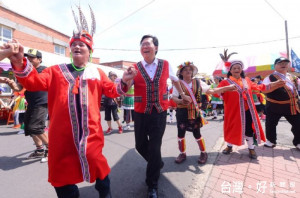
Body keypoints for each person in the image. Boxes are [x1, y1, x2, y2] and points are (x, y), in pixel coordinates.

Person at [7, 11, 136, 197]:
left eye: (81, 44)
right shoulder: (55, 71)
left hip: (90, 135)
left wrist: (126, 80)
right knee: (61, 174)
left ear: (89, 51)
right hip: (62, 136)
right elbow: (32, 82)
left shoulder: (96, 72)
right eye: (73, 44)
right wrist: (19, 61)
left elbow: (113, 91)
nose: (76, 46)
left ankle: (105, 194)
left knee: (98, 166)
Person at [132, 34, 191, 198]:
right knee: (140, 145)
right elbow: (127, 84)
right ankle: (157, 162)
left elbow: (175, 80)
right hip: (140, 111)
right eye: (142, 44)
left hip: (159, 111)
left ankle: (152, 185)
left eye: (148, 44)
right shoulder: (135, 67)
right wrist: (125, 79)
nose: (145, 46)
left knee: (155, 146)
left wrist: (182, 94)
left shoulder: (165, 64)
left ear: (155, 48)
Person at [171, 62, 236, 164]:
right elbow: (173, 96)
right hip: (182, 111)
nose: (188, 71)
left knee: (197, 133)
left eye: (190, 70)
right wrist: (179, 101)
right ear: (181, 73)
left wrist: (226, 88)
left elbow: (211, 90)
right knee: (180, 133)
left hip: (195, 111)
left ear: (192, 73)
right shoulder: (177, 83)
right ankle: (182, 153)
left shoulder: (198, 82)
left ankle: (203, 152)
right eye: (185, 70)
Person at [218, 60, 285, 159]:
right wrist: (222, 90)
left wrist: (274, 84)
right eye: (234, 68)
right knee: (232, 128)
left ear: (241, 70)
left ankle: (251, 148)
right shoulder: (224, 82)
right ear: (230, 70)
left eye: (238, 68)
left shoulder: (247, 80)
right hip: (233, 111)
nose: (236, 70)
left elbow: (259, 87)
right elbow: (217, 93)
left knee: (249, 129)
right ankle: (229, 146)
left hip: (247, 110)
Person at [262, 57, 300, 150]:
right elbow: (263, 89)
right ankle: (271, 141)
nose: (283, 65)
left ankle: (298, 142)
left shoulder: (293, 77)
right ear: (275, 66)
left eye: (285, 63)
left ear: (288, 65)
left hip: (291, 105)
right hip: (274, 105)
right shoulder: (269, 78)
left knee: (298, 123)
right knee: (271, 123)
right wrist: (274, 85)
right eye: (280, 63)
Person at [19, 49, 49, 163]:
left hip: (42, 102)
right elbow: (18, 88)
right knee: (29, 128)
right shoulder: (26, 72)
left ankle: (51, 150)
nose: (29, 59)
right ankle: (39, 150)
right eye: (28, 57)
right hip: (31, 103)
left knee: (36, 127)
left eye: (32, 57)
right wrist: (10, 83)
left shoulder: (45, 70)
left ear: (39, 59)